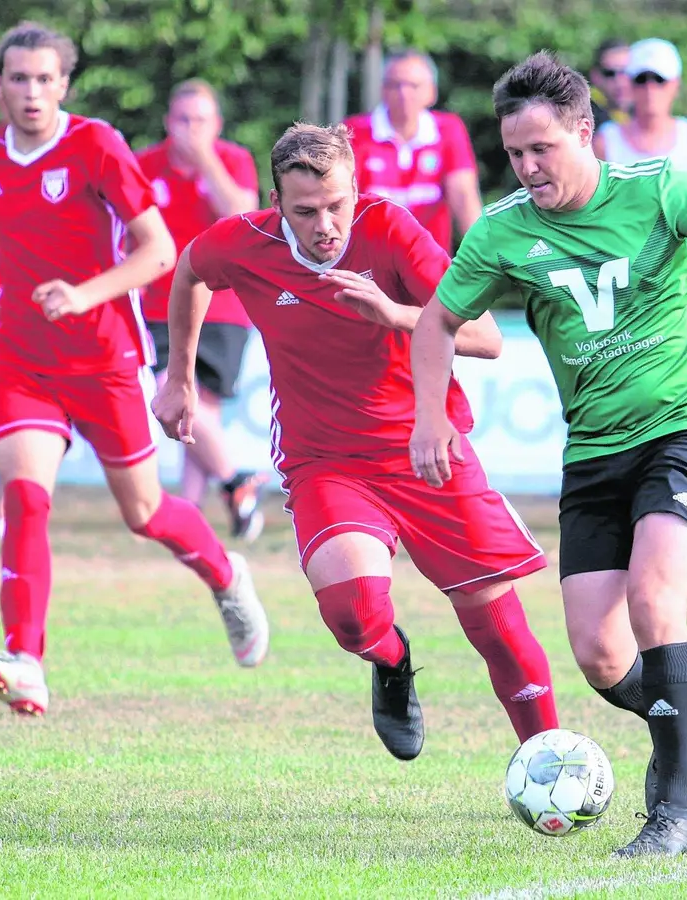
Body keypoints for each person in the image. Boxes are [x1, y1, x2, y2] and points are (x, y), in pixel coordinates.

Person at [408, 52, 687, 858]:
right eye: (514, 153)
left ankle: (674, 812)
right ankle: (676, 720)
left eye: (542, 149)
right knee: (598, 654)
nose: (527, 167)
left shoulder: (656, 191)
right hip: (593, 452)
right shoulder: (502, 230)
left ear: (585, 132)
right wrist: (428, 418)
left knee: (658, 598)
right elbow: (435, 323)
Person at [151, 122, 559, 760]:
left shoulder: (390, 229)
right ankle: (392, 662)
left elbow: (485, 336)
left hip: (426, 447)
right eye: (306, 211)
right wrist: (179, 376)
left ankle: (549, 759)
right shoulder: (245, 242)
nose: (326, 225)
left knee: (494, 623)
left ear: (355, 188)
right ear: (277, 202)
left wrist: (393, 314)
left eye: (337, 205)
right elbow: (190, 273)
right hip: (327, 462)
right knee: (353, 613)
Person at [0, 21, 270, 718]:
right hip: (22, 361)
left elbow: (158, 251)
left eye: (44, 79)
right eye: (18, 79)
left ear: (63, 84)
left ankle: (225, 573)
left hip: (104, 357)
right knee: (25, 498)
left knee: (145, 513)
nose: (31, 92)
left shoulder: (95, 145)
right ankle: (25, 661)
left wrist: (83, 294)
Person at [135, 78, 268, 542]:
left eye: (201, 121)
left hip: (222, 304)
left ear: (217, 125)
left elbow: (243, 215)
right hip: (156, 304)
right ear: (167, 123)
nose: (190, 130)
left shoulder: (232, 160)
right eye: (183, 120)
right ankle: (230, 486)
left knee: (198, 407)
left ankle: (202, 502)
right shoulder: (144, 165)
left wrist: (206, 159)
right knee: (168, 394)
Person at [343, 50, 483, 254]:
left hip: (430, 262)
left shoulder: (448, 130)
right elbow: (342, 201)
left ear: (432, 92)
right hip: (371, 262)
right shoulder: (355, 133)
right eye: (395, 85)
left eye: (414, 86)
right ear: (382, 89)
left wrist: (482, 252)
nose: (404, 93)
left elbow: (463, 197)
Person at [591, 38, 687, 184]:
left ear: (676, 84)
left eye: (659, 80)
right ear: (630, 84)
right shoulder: (605, 142)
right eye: (641, 79)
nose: (650, 89)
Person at [587, 39, 632, 131]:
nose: (620, 82)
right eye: (609, 73)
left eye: (627, 72)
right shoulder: (583, 116)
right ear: (595, 76)